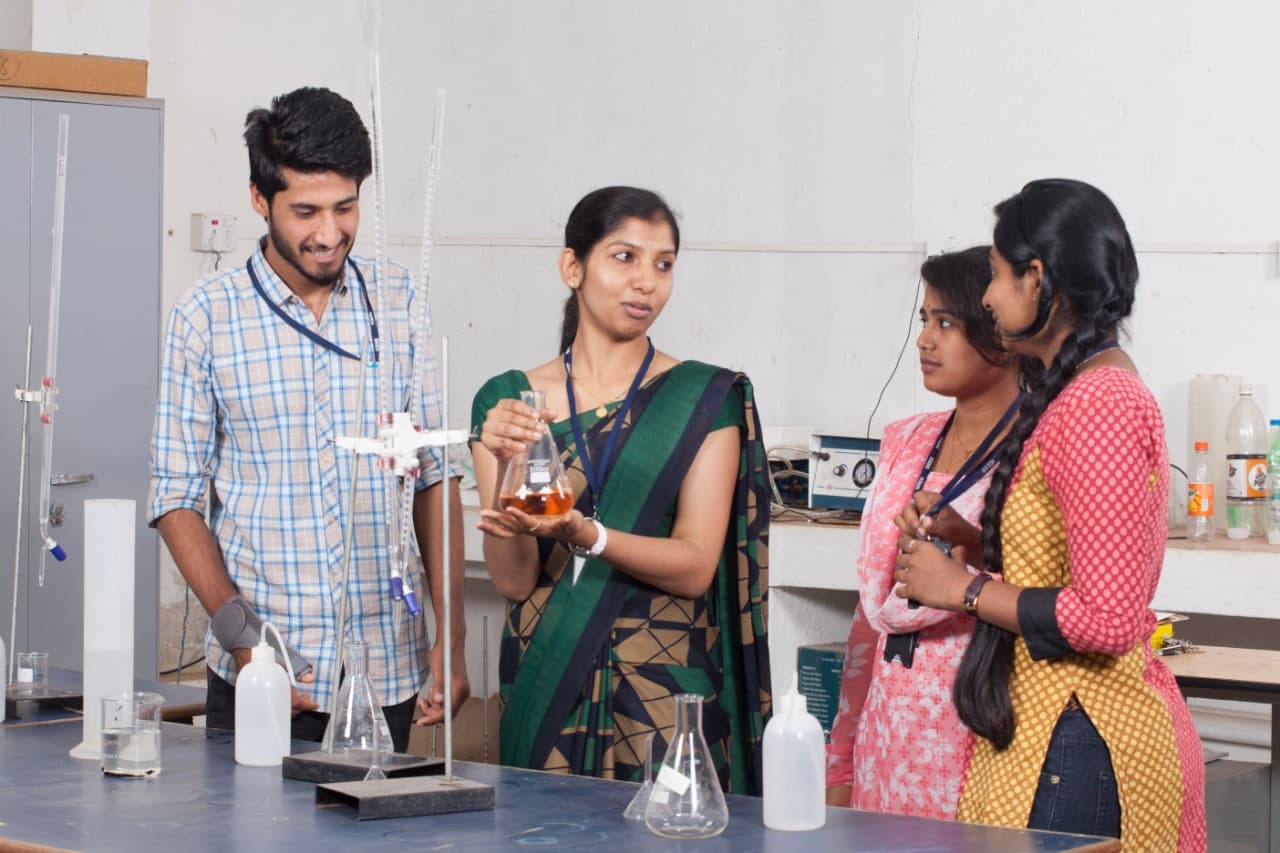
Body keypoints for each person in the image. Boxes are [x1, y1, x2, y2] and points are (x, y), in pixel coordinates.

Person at [148, 87, 469, 754]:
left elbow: (434, 476)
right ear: (259, 200)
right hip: (262, 671)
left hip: (388, 673)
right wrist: (245, 641)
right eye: (305, 211)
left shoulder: (401, 299)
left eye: (345, 207)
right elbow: (175, 497)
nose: (328, 234)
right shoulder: (207, 316)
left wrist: (453, 638)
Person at [895, 179, 1206, 849]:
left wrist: (964, 590)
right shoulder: (1083, 390)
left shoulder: (1100, 403)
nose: (986, 296)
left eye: (999, 275)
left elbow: (1109, 616)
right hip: (1059, 726)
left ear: (1037, 279)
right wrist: (972, 542)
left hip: (1082, 735)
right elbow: (1069, 566)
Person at [470, 186, 770, 793]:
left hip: (666, 693)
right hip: (544, 676)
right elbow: (514, 580)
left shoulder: (703, 401)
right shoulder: (508, 402)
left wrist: (587, 534)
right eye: (624, 257)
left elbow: (693, 568)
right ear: (572, 267)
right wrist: (506, 464)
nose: (646, 283)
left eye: (663, 264)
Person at [824, 248, 1024, 818]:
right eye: (924, 321)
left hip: (984, 723)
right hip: (893, 726)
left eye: (946, 323)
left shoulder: (1041, 444)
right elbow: (873, 610)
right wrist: (843, 751)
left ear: (1001, 332)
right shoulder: (907, 439)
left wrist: (973, 551)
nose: (925, 341)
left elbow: (1052, 589)